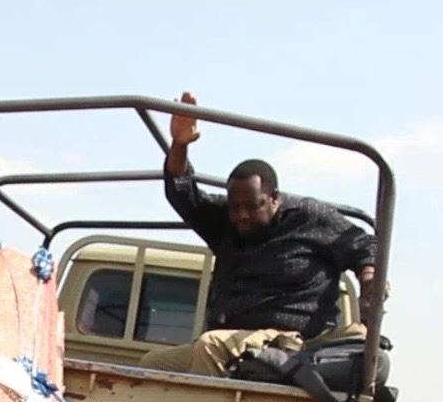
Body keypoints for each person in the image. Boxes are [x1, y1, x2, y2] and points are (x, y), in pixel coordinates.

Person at [138, 91, 378, 376]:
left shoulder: (309, 217)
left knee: (208, 345)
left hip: (290, 343)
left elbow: (364, 245)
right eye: (235, 207)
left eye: (252, 207)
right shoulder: (227, 220)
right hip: (230, 340)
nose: (241, 215)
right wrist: (179, 144)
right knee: (152, 365)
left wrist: (369, 278)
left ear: (274, 198)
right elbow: (182, 193)